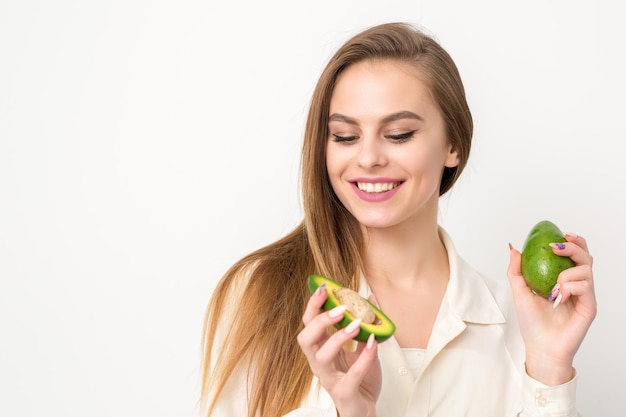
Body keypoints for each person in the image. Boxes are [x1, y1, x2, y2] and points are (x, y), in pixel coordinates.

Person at [199, 22, 597, 417]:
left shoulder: (520, 323)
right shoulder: (258, 294)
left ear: (453, 146)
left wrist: (550, 369)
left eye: (399, 133)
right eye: (344, 136)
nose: (369, 158)